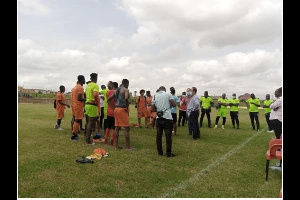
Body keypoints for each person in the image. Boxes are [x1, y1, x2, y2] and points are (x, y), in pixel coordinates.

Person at [107, 79, 135, 150]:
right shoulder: (125, 90)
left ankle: (116, 146)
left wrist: (113, 107)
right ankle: (128, 147)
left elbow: (108, 99)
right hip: (122, 109)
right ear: (127, 83)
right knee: (126, 128)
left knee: (117, 127)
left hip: (116, 109)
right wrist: (126, 107)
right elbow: (126, 98)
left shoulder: (117, 90)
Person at [151, 86, 176, 157]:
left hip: (159, 118)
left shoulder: (155, 96)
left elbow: (152, 108)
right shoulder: (168, 94)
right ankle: (168, 153)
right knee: (168, 136)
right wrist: (168, 105)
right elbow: (174, 104)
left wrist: (159, 110)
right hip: (167, 118)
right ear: (164, 90)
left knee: (159, 136)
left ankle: (160, 152)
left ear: (159, 90)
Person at [84, 73, 101, 145]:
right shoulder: (95, 85)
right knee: (91, 123)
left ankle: (87, 137)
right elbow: (95, 94)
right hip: (92, 105)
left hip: (87, 105)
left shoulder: (88, 85)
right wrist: (97, 103)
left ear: (90, 78)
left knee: (88, 122)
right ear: (96, 78)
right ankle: (88, 141)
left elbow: (85, 94)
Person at [70, 75, 86, 141]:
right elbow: (79, 98)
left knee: (75, 119)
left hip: (74, 105)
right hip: (78, 105)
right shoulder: (80, 88)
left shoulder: (74, 87)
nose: (85, 80)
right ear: (81, 80)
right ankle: (74, 134)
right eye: (84, 79)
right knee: (78, 120)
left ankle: (74, 133)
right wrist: (86, 99)